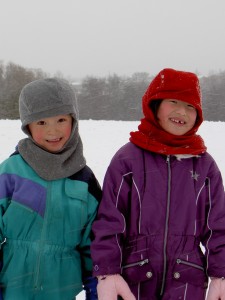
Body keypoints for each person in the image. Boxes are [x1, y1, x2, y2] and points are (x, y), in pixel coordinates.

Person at [91, 68, 225, 300]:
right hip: (133, 281)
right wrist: (107, 271)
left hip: (187, 283)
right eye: (173, 101)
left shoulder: (204, 166)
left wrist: (221, 274)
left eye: (190, 106)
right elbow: (110, 221)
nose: (182, 111)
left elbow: (218, 226)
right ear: (155, 105)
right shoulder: (128, 159)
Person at [0, 78, 101, 300]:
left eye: (61, 119)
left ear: (73, 120)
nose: (52, 130)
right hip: (12, 289)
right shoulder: (11, 171)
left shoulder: (85, 180)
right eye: (41, 123)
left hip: (61, 290)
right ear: (28, 126)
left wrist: (95, 284)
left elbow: (93, 243)